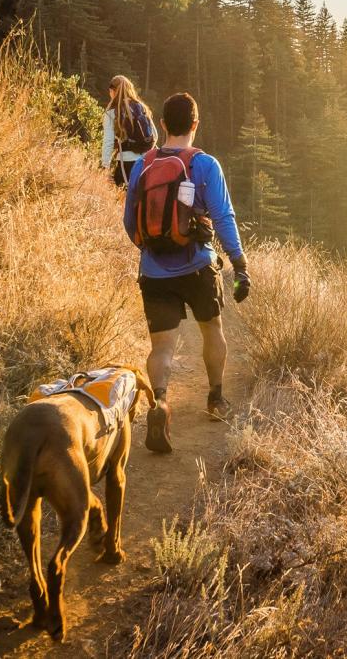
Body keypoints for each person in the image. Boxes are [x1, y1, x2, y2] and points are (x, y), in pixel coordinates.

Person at [123, 92, 251, 453]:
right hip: (198, 266)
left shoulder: (143, 165)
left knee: (162, 345)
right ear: (195, 124)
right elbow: (224, 217)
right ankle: (215, 399)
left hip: (154, 271)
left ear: (162, 125)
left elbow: (129, 222)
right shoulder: (205, 164)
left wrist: (153, 247)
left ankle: (161, 402)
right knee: (212, 330)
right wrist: (239, 264)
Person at [102, 75, 157, 186]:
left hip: (126, 163)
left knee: (124, 199)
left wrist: (105, 167)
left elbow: (108, 142)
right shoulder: (141, 107)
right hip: (146, 162)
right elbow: (154, 135)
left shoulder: (111, 113)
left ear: (112, 91)